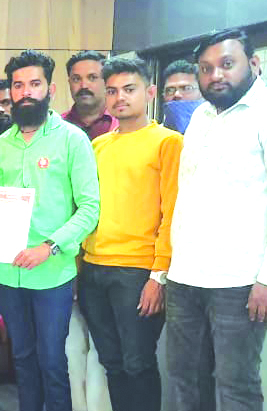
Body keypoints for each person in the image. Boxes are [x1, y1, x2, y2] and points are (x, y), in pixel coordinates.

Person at [167, 28, 267, 411]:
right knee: (185, 378)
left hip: (241, 282)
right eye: (206, 68)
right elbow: (188, 195)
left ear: (254, 63)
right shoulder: (200, 116)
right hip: (185, 276)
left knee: (235, 387)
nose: (215, 75)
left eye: (226, 64)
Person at [0, 50, 100, 411]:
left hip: (51, 273)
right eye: (18, 85)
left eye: (34, 84)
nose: (25, 92)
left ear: (50, 89)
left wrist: (49, 246)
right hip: (7, 273)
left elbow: (90, 209)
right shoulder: (2, 145)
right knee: (22, 359)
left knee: (52, 360)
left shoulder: (72, 139)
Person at [80, 56, 183, 411]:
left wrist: (159, 276)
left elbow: (173, 213)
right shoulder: (97, 146)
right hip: (93, 267)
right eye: (112, 91)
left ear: (149, 93)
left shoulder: (168, 142)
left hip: (137, 272)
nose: (119, 97)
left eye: (129, 89)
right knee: (111, 362)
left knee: (137, 363)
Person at [62, 51, 118, 140]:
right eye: (76, 79)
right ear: (69, 83)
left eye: (92, 78)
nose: (84, 86)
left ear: (107, 82)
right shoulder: (57, 125)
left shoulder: (123, 123)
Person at [160, 60, 204, 133]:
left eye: (186, 88)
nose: (177, 94)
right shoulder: (158, 136)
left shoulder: (216, 130)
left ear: (201, 92)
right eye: (170, 90)